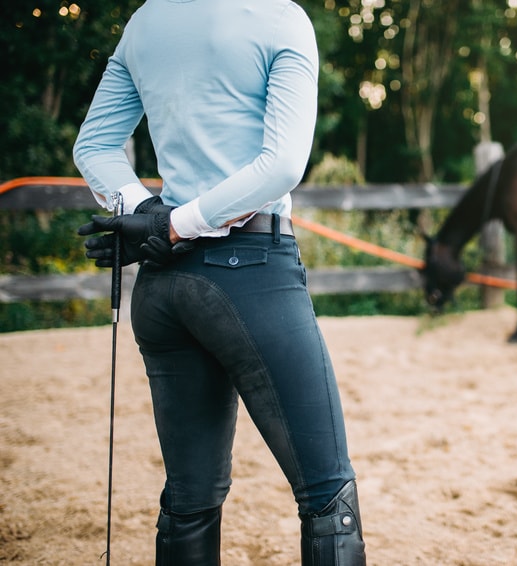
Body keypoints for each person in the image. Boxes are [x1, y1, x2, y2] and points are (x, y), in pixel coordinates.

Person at [73, 1, 366, 564]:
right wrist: (175, 225)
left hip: (162, 289)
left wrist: (149, 215)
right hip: (253, 275)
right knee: (329, 495)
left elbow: (93, 147)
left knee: (190, 497)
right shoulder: (281, 18)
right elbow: (280, 166)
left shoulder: (145, 20)